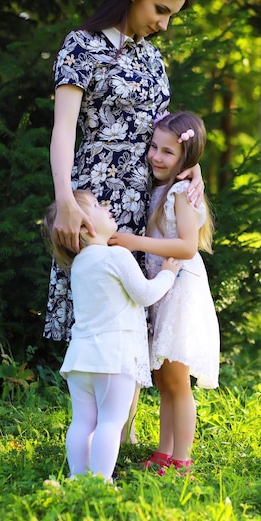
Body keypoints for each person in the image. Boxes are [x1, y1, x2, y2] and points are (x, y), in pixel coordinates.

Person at [44, 0, 203, 443]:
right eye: (160, 9)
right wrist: (66, 198)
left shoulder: (151, 58)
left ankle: (124, 434)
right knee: (98, 306)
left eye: (172, 14)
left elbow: (166, 133)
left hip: (143, 201)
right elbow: (63, 128)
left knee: (140, 312)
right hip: (94, 200)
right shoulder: (82, 46)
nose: (164, 23)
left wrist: (190, 166)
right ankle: (97, 426)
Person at [43, 189, 180, 482]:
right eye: (94, 205)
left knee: (82, 422)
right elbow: (144, 294)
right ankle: (101, 482)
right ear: (82, 226)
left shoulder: (78, 265)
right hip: (113, 357)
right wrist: (167, 274)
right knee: (110, 421)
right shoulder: (116, 255)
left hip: (80, 359)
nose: (105, 205)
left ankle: (77, 478)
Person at [109, 112, 220, 475]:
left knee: (176, 381)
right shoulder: (162, 186)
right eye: (154, 147)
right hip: (166, 288)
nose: (156, 156)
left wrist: (129, 241)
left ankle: (182, 458)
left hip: (181, 288)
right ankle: (164, 451)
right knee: (165, 380)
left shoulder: (180, 192)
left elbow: (188, 246)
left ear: (185, 158)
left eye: (167, 152)